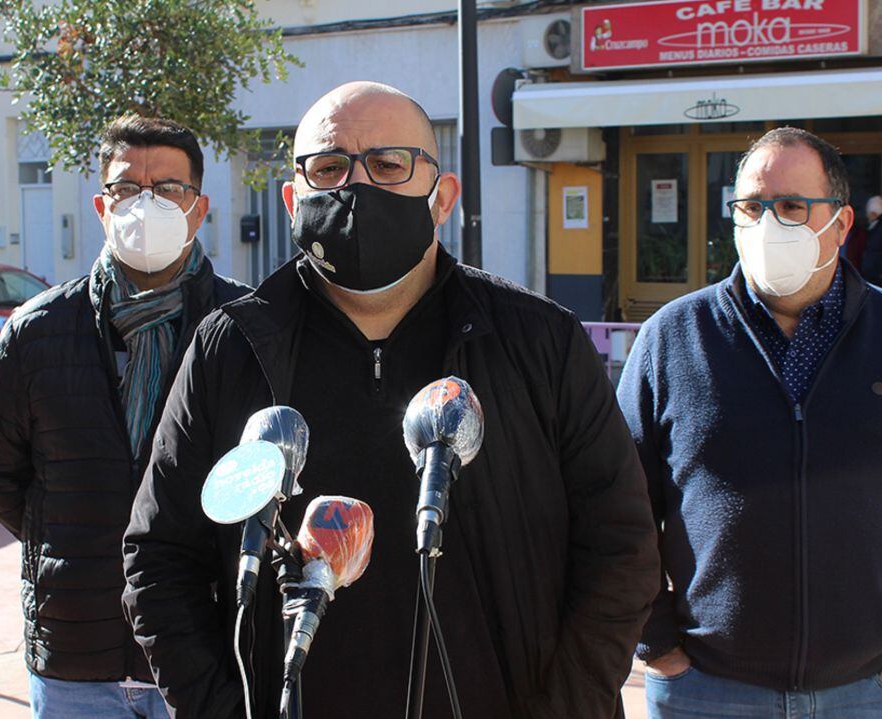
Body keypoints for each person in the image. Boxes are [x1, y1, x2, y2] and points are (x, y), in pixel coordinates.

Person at [120, 81, 660, 719]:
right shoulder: (230, 347)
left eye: (387, 164)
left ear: (442, 197)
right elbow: (158, 559)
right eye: (329, 168)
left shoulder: (539, 341)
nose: (357, 189)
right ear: (294, 199)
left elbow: (620, 547)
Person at [617, 127, 882, 718]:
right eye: (751, 207)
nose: (769, 225)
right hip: (707, 690)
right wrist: (654, 636)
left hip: (871, 691)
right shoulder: (673, 338)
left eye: (792, 206)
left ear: (840, 225)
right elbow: (618, 502)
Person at [0, 115, 248, 718]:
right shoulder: (37, 333)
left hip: (202, 650)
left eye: (169, 189)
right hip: (75, 656)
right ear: (101, 206)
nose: (147, 205)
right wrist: (70, 541)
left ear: (198, 210)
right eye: (127, 189)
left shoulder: (247, 328)